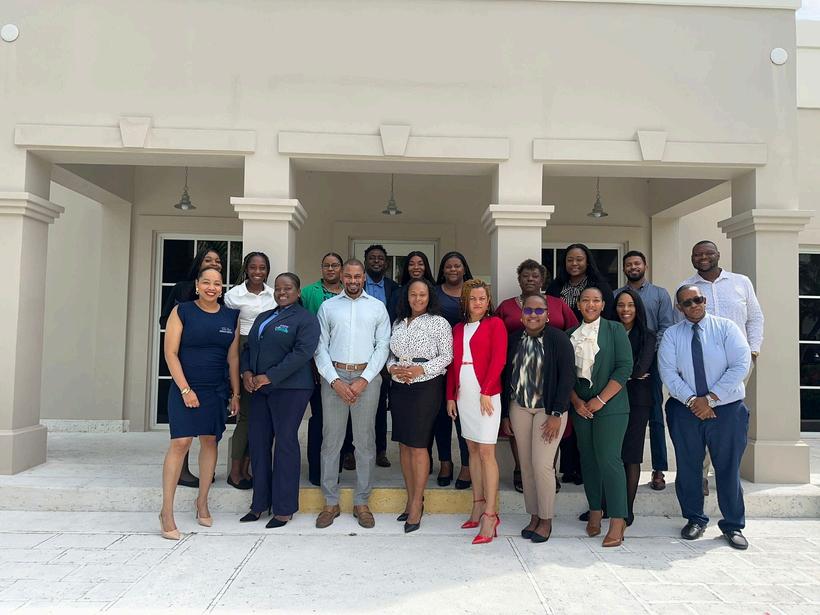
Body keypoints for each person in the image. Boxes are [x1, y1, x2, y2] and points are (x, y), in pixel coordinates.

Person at [658, 285, 751, 550]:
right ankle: (695, 519)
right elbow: (668, 372)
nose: (694, 305)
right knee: (688, 466)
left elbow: (740, 365)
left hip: (727, 409)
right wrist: (693, 400)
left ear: (705, 300)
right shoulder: (672, 335)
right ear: (679, 308)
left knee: (727, 467)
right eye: (687, 303)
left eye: (697, 300)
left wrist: (710, 399)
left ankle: (732, 525)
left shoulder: (726, 328)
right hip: (684, 409)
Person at [159, 266, 240, 540]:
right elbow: (170, 353)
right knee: (180, 443)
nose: (211, 287)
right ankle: (166, 512)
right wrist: (185, 389)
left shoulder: (231, 316)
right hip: (185, 387)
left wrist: (236, 394)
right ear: (197, 285)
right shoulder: (182, 311)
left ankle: (202, 502)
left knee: (209, 441)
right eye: (206, 282)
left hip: (215, 390)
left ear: (222, 288)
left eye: (217, 283)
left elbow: (233, 358)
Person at [682, 240, 764, 496]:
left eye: (708, 253)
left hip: (738, 364)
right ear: (692, 258)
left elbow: (755, 317)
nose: (703, 257)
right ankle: (701, 475)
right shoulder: (687, 287)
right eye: (697, 254)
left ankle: (727, 476)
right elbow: (681, 326)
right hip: (701, 365)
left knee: (729, 420)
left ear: (718, 255)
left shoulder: (741, 282)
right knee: (703, 416)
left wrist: (753, 350)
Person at [314, 259, 391, 529]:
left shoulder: (377, 307)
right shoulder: (328, 307)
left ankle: (361, 502)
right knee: (331, 442)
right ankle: (330, 502)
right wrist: (334, 380)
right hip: (334, 377)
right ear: (342, 277)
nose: (353, 281)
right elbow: (319, 347)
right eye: (348, 276)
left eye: (357, 276)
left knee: (365, 442)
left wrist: (364, 379)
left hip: (366, 378)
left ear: (364, 277)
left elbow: (383, 346)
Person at [239, 273, 320, 528]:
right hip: (258, 388)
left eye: (288, 288)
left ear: (298, 292)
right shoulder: (264, 316)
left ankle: (284, 509)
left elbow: (302, 353)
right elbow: (248, 348)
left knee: (285, 443)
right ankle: (259, 504)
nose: (282, 292)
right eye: (278, 288)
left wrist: (270, 376)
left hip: (291, 389)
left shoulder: (306, 319)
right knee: (258, 443)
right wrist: (247, 372)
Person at [496, 259, 579, 493]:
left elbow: (573, 331)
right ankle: (521, 470)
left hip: (550, 379)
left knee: (549, 433)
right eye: (525, 276)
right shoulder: (506, 306)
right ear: (519, 279)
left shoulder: (557, 304)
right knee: (519, 429)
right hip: (519, 378)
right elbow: (497, 335)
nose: (530, 279)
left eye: (535, 276)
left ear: (543, 280)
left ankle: (548, 473)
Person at [503, 294, 575, 543]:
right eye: (528, 310)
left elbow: (567, 377)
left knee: (542, 465)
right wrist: (505, 414)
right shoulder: (514, 339)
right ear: (522, 314)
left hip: (548, 410)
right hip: (520, 408)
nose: (533, 315)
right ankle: (533, 515)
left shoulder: (559, 339)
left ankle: (546, 519)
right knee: (526, 465)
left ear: (547, 314)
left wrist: (557, 413)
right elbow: (507, 377)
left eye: (538, 311)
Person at [386, 279, 453, 533]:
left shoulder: (439, 322)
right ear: (407, 297)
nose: (417, 299)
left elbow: (447, 356)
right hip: (399, 386)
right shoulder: (398, 322)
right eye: (413, 294)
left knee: (417, 444)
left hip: (426, 386)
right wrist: (392, 368)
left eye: (422, 294)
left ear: (429, 296)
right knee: (403, 444)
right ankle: (410, 497)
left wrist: (420, 369)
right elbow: (390, 354)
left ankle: (417, 503)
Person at [568, 286, 633, 547]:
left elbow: (624, 367)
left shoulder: (615, 329)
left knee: (609, 459)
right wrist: (577, 402)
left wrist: (601, 400)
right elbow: (565, 373)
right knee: (588, 459)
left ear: (603, 305)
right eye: (585, 300)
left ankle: (618, 519)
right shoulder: (570, 334)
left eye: (596, 300)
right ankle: (595, 510)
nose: (590, 305)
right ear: (578, 304)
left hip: (611, 405)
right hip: (581, 406)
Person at [546, 243, 615, 485]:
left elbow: (607, 319)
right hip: (563, 347)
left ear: (587, 261)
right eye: (570, 260)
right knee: (567, 410)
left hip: (592, 349)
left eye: (579, 259)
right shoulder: (556, 287)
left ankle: (587, 469)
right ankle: (569, 467)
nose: (574, 264)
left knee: (587, 413)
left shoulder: (599, 287)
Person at [446, 279, 507, 544]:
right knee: (471, 448)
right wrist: (451, 396)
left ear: (488, 301)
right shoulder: (458, 328)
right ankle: (477, 504)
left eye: (482, 298)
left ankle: (491, 515)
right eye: (473, 298)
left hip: (486, 394)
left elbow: (499, 359)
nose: (478, 303)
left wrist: (487, 390)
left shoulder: (495, 324)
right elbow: (453, 365)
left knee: (485, 452)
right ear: (465, 301)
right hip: (464, 393)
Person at [159, 244, 224, 488]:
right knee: (182, 436)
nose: (214, 263)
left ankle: (205, 476)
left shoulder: (220, 296)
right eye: (209, 259)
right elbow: (165, 320)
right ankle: (182, 471)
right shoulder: (182, 291)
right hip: (185, 366)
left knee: (208, 437)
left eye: (218, 261)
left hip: (211, 375)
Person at [616, 250, 674, 491]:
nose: (633, 267)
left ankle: (659, 469)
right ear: (624, 268)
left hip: (652, 362)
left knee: (655, 415)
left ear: (645, 266)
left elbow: (666, 327)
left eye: (637, 263)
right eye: (628, 264)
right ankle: (620, 465)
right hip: (622, 363)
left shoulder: (659, 294)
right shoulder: (616, 295)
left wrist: (646, 353)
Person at [223, 252, 276, 490]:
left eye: (262, 268)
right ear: (246, 269)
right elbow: (228, 329)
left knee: (260, 417)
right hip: (242, 349)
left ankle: (246, 469)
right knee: (245, 415)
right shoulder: (233, 296)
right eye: (253, 267)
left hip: (267, 353)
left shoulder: (274, 295)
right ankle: (235, 472)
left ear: (267, 270)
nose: (257, 272)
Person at [302, 252, 354, 486]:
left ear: (341, 269)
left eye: (335, 265)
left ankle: (335, 468)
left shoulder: (350, 293)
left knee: (341, 421)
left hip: (344, 368)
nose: (331, 269)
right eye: (326, 265)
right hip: (316, 365)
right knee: (320, 418)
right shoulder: (308, 293)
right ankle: (317, 470)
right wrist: (313, 362)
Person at [614, 288, 657, 526]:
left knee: (631, 455)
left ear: (637, 308)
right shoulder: (608, 331)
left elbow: (641, 368)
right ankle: (605, 505)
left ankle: (626, 510)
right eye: (621, 305)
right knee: (610, 455)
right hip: (609, 400)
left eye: (630, 305)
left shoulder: (648, 336)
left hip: (637, 401)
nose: (625, 309)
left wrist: (619, 373)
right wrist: (629, 375)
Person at [435, 251, 474, 489]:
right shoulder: (435, 293)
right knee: (441, 415)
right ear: (443, 269)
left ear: (464, 268)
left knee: (463, 416)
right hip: (439, 362)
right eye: (448, 266)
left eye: (457, 265)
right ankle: (445, 462)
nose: (452, 269)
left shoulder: (472, 292)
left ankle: (466, 465)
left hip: (466, 360)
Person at [364, 244, 401, 468]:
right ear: (365, 261)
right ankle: (349, 451)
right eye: (372, 258)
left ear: (386, 263)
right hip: (358, 352)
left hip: (384, 353)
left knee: (379, 404)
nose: (376, 261)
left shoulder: (394, 288)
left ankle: (380, 450)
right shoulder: (356, 284)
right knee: (352, 401)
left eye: (380, 258)